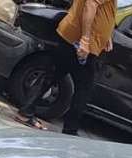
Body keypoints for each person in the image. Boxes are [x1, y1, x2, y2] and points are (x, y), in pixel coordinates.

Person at [13, 0, 116, 135]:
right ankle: (70, 130)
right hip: (82, 43)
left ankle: (25, 112)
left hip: (72, 36)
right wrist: (85, 40)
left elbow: (101, 8)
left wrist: (107, 34)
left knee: (53, 74)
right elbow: (90, 4)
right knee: (84, 88)